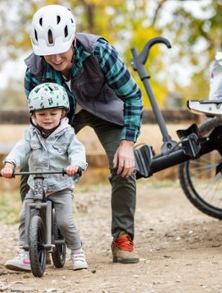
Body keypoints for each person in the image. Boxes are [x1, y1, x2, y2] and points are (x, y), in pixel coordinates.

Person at [22, 4, 143, 264]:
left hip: (106, 111)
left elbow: (132, 96)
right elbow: (36, 119)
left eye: (60, 51)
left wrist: (127, 143)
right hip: (61, 120)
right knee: (29, 166)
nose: (55, 59)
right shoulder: (34, 70)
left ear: (73, 39)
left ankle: (122, 237)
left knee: (123, 166)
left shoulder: (100, 52)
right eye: (48, 53)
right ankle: (39, 232)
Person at [1, 82, 88, 271]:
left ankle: (77, 251)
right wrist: (10, 163)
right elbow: (20, 149)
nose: (47, 118)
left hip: (60, 185)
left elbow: (77, 151)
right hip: (37, 185)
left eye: (53, 113)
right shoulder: (30, 134)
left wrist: (76, 165)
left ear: (63, 113)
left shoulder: (68, 134)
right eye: (41, 114)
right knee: (25, 216)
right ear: (33, 115)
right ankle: (24, 254)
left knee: (65, 221)